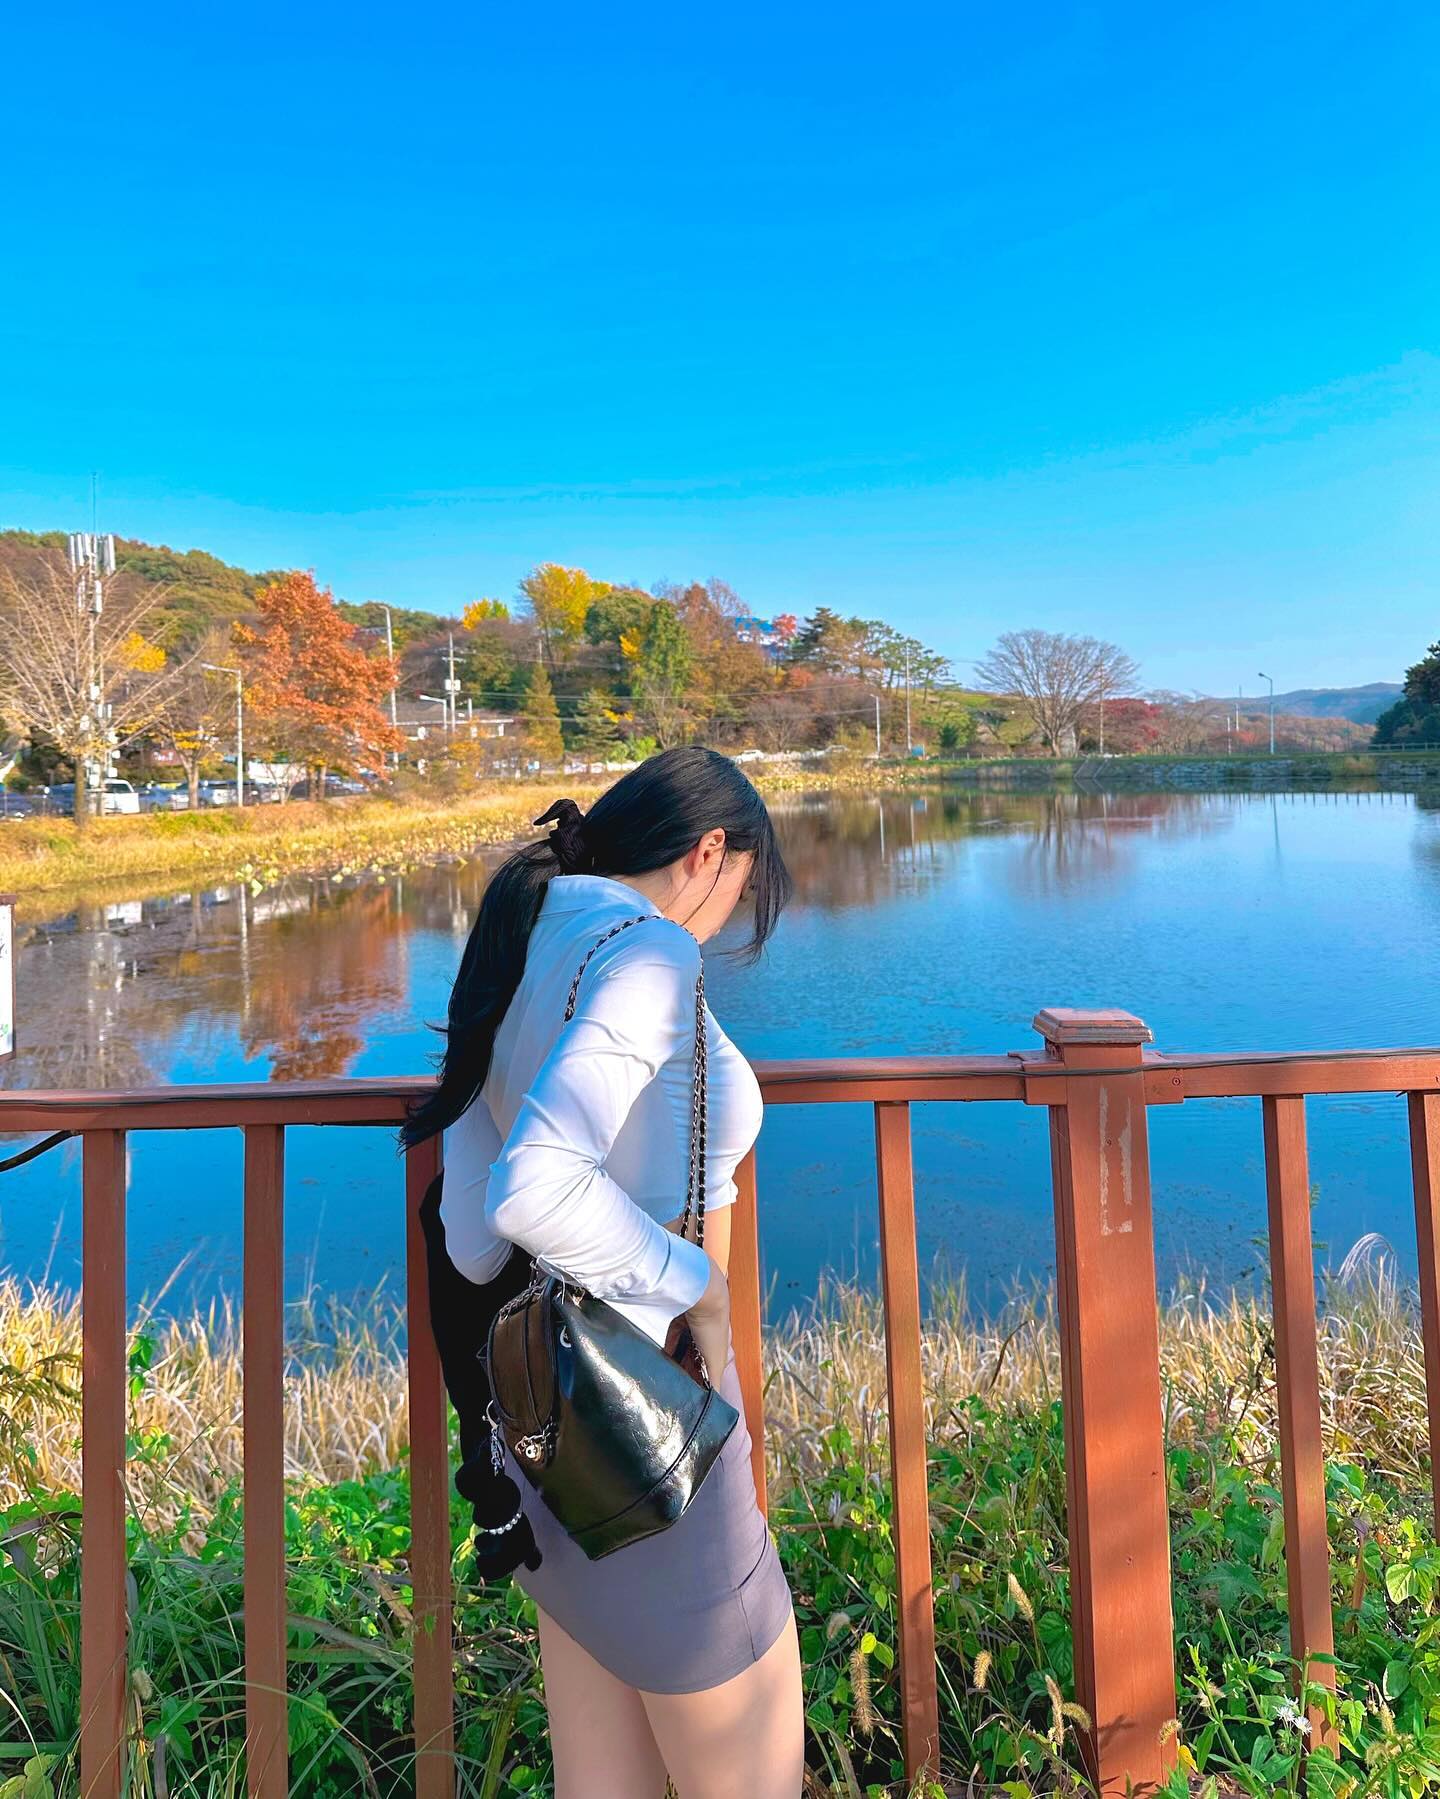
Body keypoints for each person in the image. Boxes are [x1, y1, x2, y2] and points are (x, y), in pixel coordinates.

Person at [403, 746, 802, 1798]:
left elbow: (475, 1234)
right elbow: (535, 1188)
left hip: (552, 1428)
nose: (726, 919)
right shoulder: (649, 955)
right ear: (707, 852)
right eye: (740, 888)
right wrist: (697, 1283)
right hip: (658, 1433)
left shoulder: (529, 927)